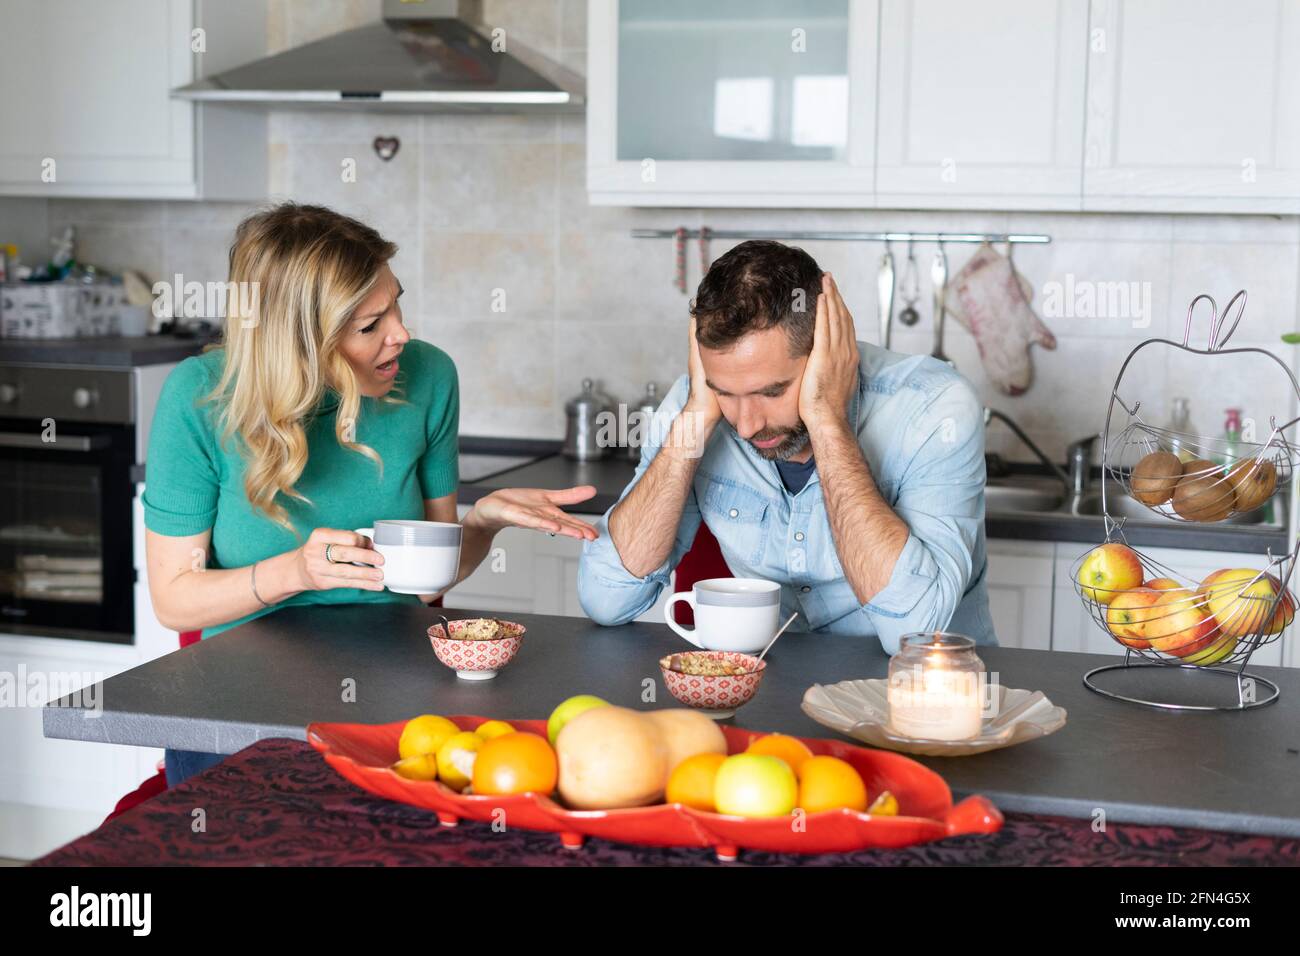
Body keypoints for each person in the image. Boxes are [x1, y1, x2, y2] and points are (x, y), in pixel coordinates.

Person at [144, 203, 598, 784]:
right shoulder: (200, 398)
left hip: (397, 686)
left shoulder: (429, 377)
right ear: (297, 344)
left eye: (396, 305)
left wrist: (482, 523)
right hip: (238, 697)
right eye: (369, 326)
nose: (400, 334)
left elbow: (431, 579)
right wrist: (296, 573)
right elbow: (174, 599)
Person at [577, 239, 995, 653]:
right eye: (725, 392)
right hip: (773, 693)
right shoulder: (697, 404)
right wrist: (696, 416)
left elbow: (917, 633)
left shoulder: (935, 408)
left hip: (926, 697)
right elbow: (607, 600)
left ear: (827, 354)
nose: (745, 425)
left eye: (771, 392)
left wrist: (828, 422)